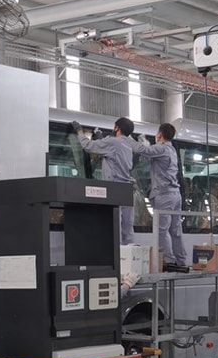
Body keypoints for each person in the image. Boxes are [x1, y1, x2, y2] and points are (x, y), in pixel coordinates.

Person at [75, 117, 137, 246]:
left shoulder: (113, 142)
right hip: (127, 189)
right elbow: (111, 155)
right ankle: (128, 258)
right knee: (127, 227)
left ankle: (117, 258)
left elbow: (88, 146)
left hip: (115, 188)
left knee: (115, 225)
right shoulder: (128, 145)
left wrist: (80, 132)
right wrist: (102, 139)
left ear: (117, 128)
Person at [142, 122, 188, 272]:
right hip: (176, 195)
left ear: (160, 135)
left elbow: (143, 150)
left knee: (162, 230)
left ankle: (169, 261)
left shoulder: (161, 148)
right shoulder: (172, 150)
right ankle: (181, 260)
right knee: (175, 229)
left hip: (165, 195)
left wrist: (129, 139)